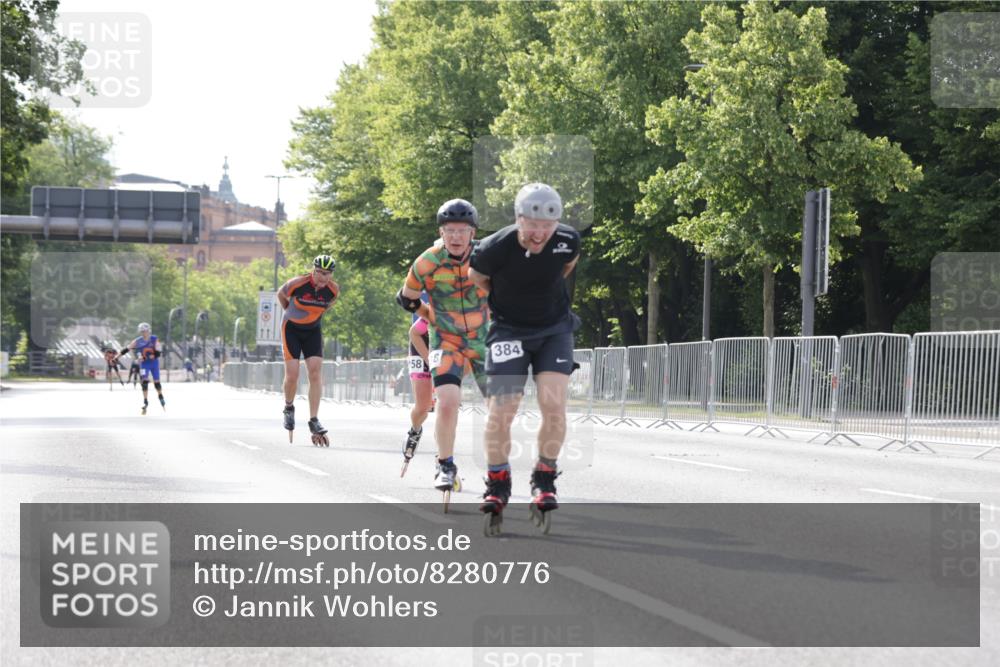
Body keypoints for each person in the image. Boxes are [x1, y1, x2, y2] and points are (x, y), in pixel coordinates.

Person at [468, 183, 581, 532]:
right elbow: (477, 278)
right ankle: (498, 482)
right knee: (501, 411)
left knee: (554, 405)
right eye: (532, 225)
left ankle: (544, 476)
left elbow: (565, 267)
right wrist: (509, 300)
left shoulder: (567, 241)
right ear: (518, 219)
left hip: (553, 330)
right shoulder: (493, 248)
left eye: (547, 226)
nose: (539, 234)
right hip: (508, 331)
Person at [396, 199, 489, 494]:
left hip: (484, 339)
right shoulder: (427, 261)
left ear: (473, 233)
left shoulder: (488, 257)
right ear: (441, 232)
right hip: (443, 340)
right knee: (445, 403)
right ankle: (445, 464)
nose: (456, 236)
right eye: (450, 230)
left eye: (463, 230)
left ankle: (499, 473)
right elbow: (407, 299)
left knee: (501, 408)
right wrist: (431, 317)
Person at [278, 254, 340, 444]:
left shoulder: (333, 290)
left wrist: (313, 315)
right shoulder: (298, 283)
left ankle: (314, 420)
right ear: (314, 271)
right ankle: (289, 407)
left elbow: (328, 305)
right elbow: (281, 294)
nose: (323, 278)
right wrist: (290, 310)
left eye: (327, 274)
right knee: (293, 375)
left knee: (315, 373)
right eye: (320, 273)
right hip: (291, 329)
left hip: (313, 330)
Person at [400, 315, 434, 476]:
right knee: (423, 406)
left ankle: (444, 459)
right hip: (421, 347)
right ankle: (415, 430)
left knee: (448, 404)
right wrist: (431, 362)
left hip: (449, 349)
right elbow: (414, 333)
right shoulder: (438, 307)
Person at [118, 322, 166, 415]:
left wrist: (154, 354)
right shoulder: (137, 341)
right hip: (144, 363)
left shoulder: (154, 339)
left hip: (154, 363)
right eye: (142, 332)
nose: (144, 333)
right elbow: (126, 349)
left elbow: (159, 351)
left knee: (157, 383)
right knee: (144, 382)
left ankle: (160, 396)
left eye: (145, 331)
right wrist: (117, 357)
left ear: (149, 331)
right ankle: (145, 401)